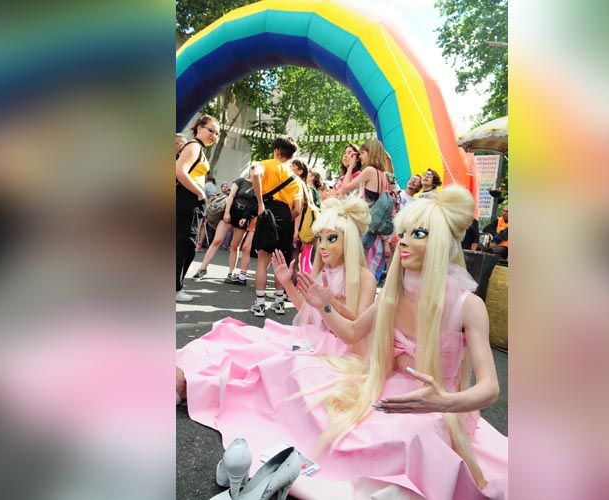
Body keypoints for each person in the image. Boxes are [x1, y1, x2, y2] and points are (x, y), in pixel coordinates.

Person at [292, 185, 507, 498]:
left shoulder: (468, 306)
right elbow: (352, 332)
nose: (403, 240)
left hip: (439, 407)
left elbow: (490, 389)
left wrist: (444, 402)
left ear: (442, 243)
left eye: (417, 233)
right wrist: (324, 306)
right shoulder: (391, 297)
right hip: (387, 392)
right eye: (402, 232)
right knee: (315, 399)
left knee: (412, 440)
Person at [176, 194, 377, 401]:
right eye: (321, 238)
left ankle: (191, 386)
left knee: (270, 364)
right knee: (242, 342)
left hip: (338, 350)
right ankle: (187, 374)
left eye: (331, 238)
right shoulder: (324, 272)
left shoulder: (365, 278)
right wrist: (287, 283)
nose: (323, 246)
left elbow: (359, 327)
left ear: (350, 241)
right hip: (311, 337)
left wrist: (331, 304)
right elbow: (307, 310)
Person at [250, 136, 304, 317]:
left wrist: (260, 203)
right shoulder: (296, 179)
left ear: (276, 150)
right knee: (282, 261)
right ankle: (279, 302)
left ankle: (259, 304)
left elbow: (255, 174)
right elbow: (298, 209)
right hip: (285, 217)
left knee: (263, 259)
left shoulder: (268, 164)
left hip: (267, 211)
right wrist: (286, 217)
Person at [175, 114, 219, 302]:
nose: (214, 136)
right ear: (199, 128)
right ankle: (175, 288)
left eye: (217, 133)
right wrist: (199, 192)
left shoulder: (197, 147)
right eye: (211, 130)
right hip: (187, 199)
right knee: (185, 244)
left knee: (186, 244)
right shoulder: (194, 146)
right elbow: (179, 171)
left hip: (189, 200)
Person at [339, 139, 394, 281]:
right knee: (360, 267)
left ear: (371, 154)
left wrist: (351, 167)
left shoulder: (370, 171)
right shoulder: (382, 176)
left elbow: (345, 188)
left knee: (353, 268)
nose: (360, 157)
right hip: (372, 229)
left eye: (362, 153)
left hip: (362, 226)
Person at [192, 173, 257, 284]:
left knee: (234, 246)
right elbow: (231, 196)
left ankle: (230, 273)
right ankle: (202, 269)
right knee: (217, 240)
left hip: (243, 218)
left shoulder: (258, 186)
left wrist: (246, 218)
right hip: (231, 212)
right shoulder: (241, 181)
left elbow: (254, 205)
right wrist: (227, 212)